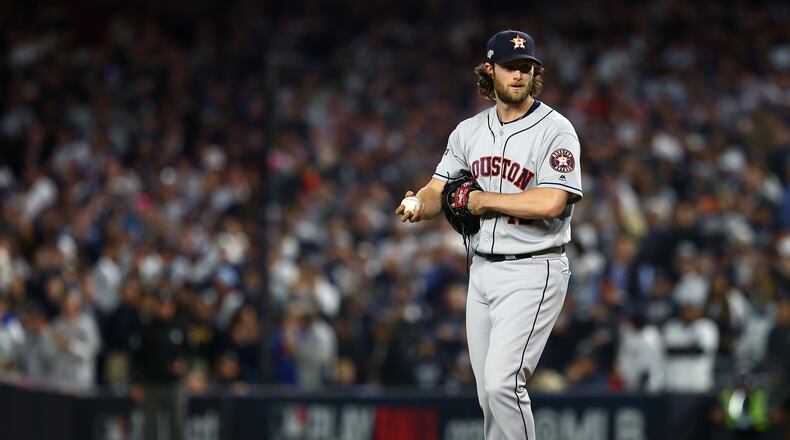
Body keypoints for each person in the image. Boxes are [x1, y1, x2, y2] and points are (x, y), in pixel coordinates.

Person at [395, 29, 582, 439]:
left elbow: (553, 201)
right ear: (489, 70)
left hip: (534, 268)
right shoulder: (468, 132)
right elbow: (437, 189)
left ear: (536, 74)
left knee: (503, 385)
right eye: (510, 67)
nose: (518, 75)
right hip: (481, 270)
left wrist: (484, 201)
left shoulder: (556, 129)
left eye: (526, 68)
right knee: (488, 395)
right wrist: (418, 204)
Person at [131, 289, 188, 440]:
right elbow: (138, 358)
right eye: (161, 305)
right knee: (151, 430)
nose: (165, 309)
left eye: (168, 305)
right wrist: (137, 383)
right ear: (155, 306)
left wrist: (184, 366)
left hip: (174, 385)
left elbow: (189, 353)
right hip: (152, 384)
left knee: (177, 428)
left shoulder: (180, 326)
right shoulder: (146, 328)